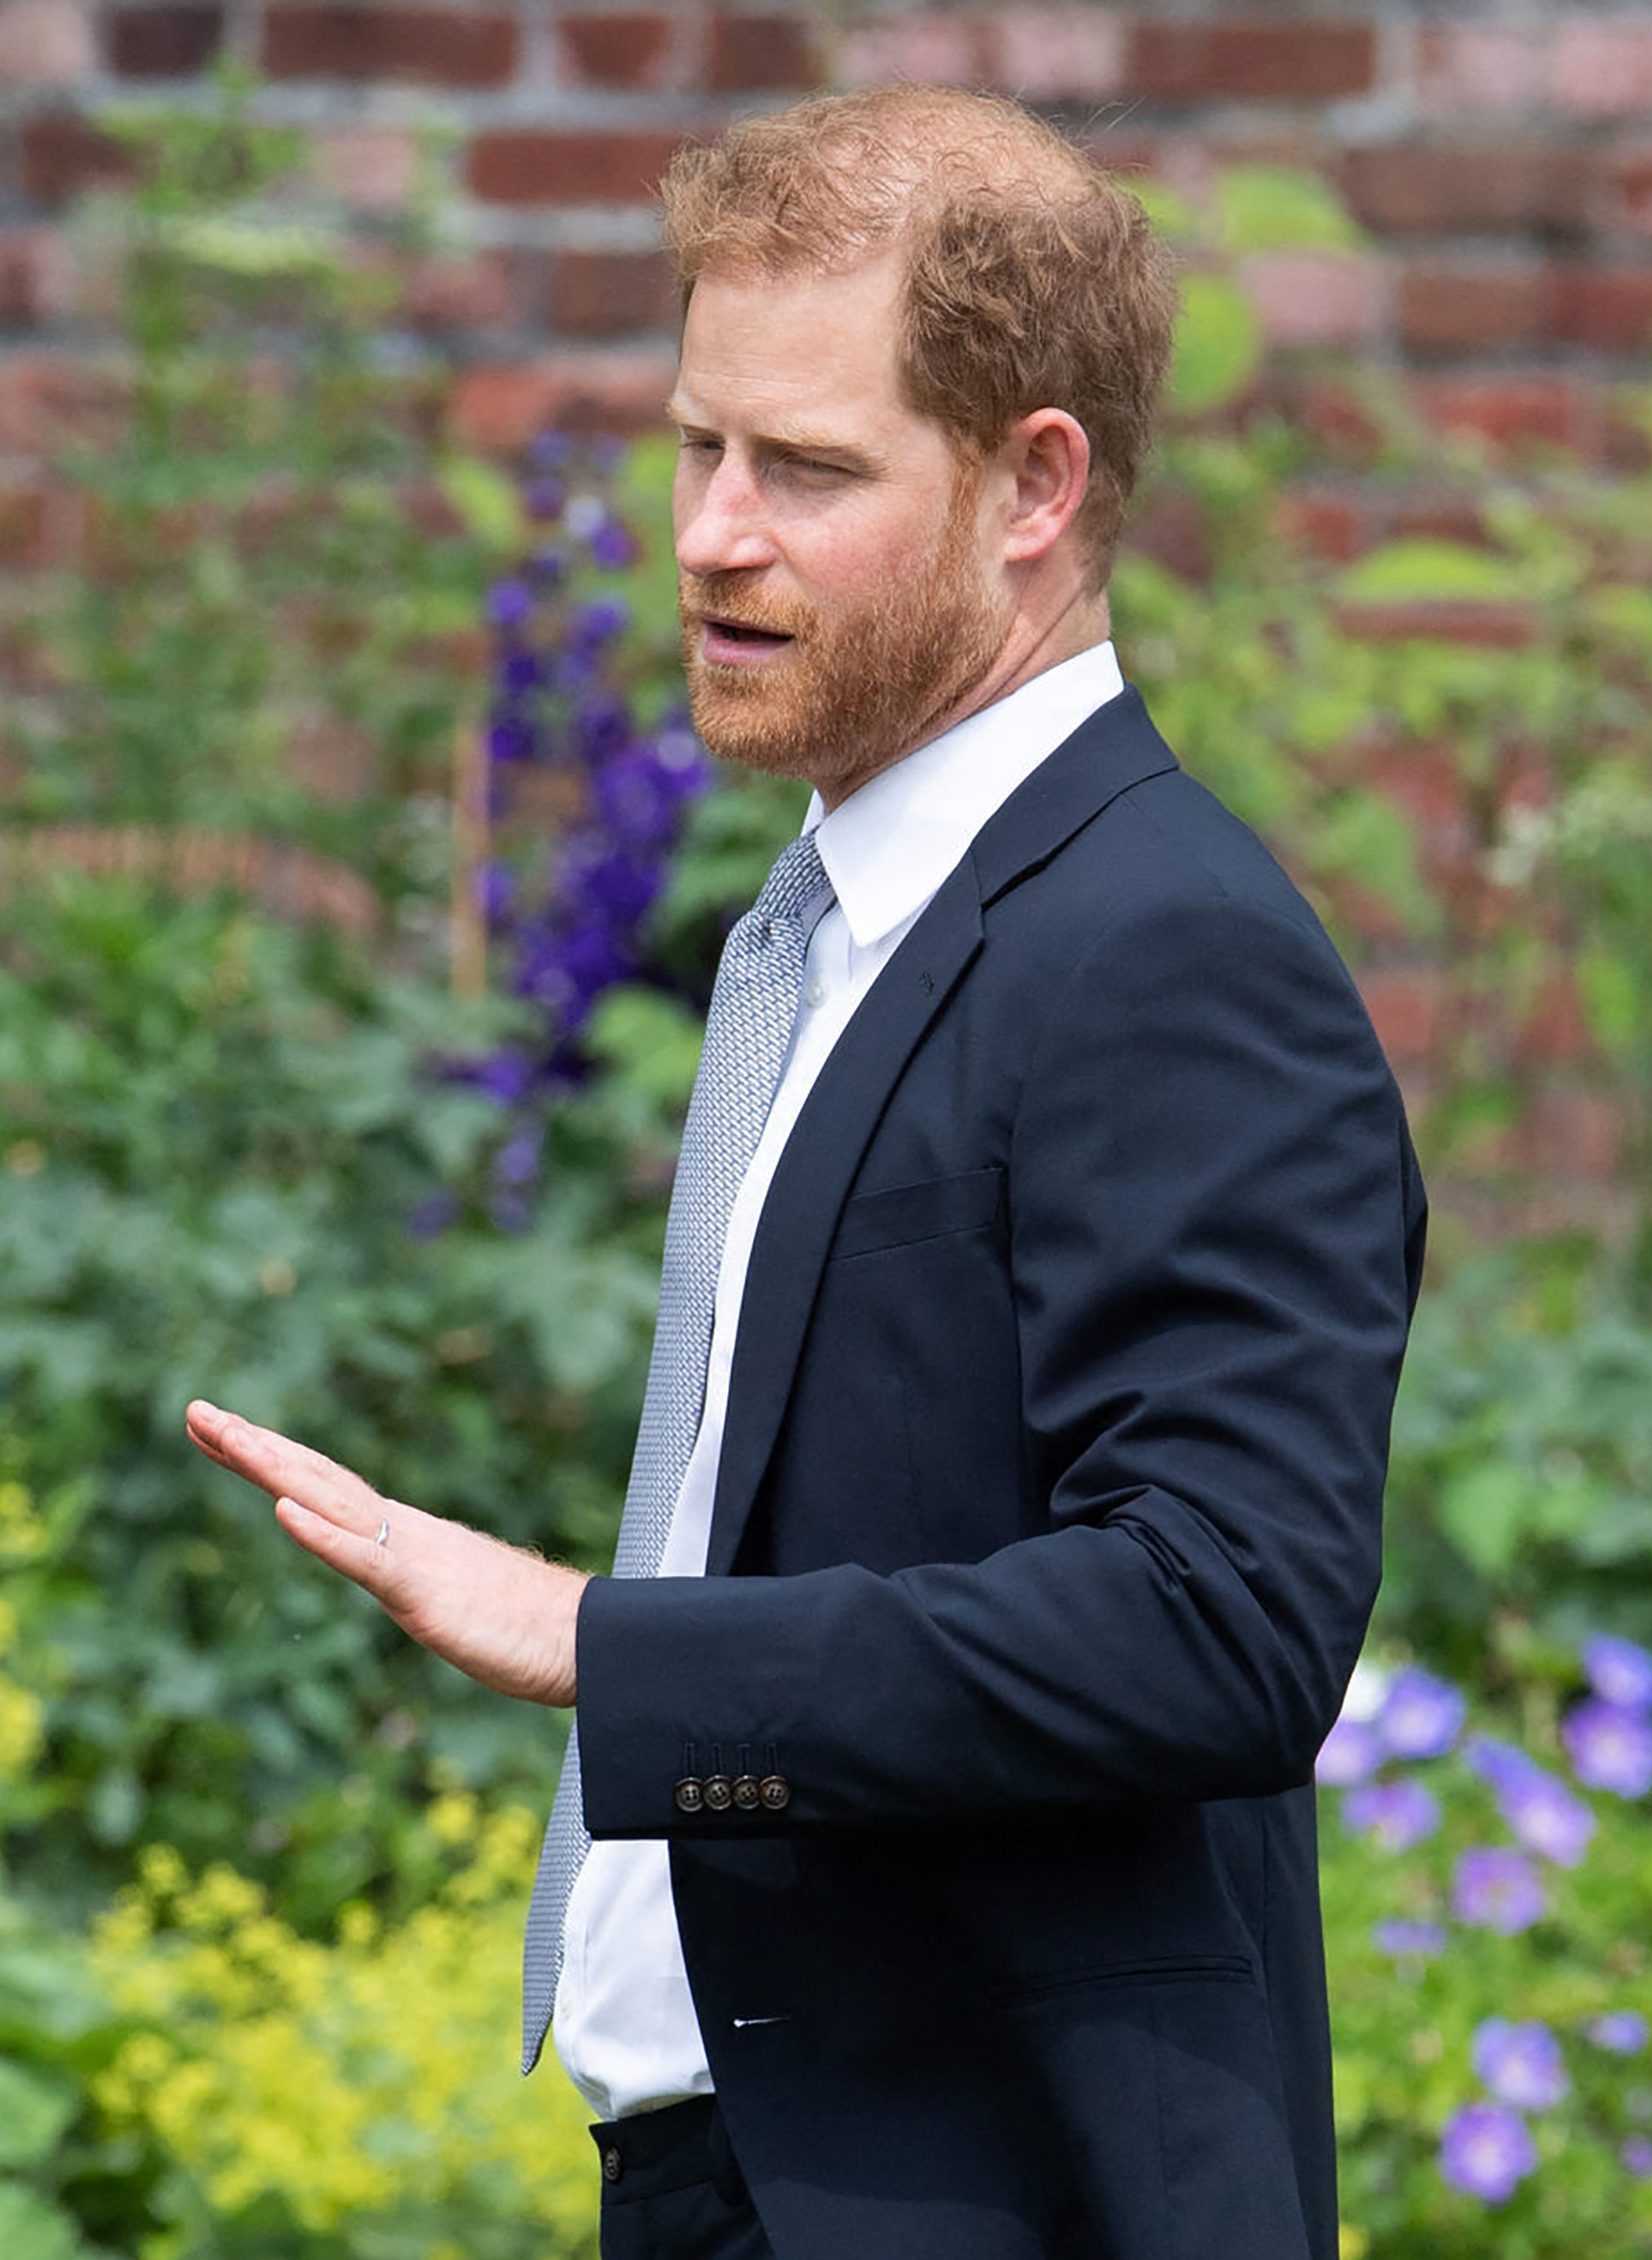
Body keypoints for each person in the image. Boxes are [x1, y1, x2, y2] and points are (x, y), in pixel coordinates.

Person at [188, 86, 1426, 2260]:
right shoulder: (837, 920)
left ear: (1036, 485)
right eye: (697, 444)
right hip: (749, 2170)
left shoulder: (1163, 945)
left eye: (808, 469)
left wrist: (615, 1648)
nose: (709, 532)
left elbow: (1227, 1619)